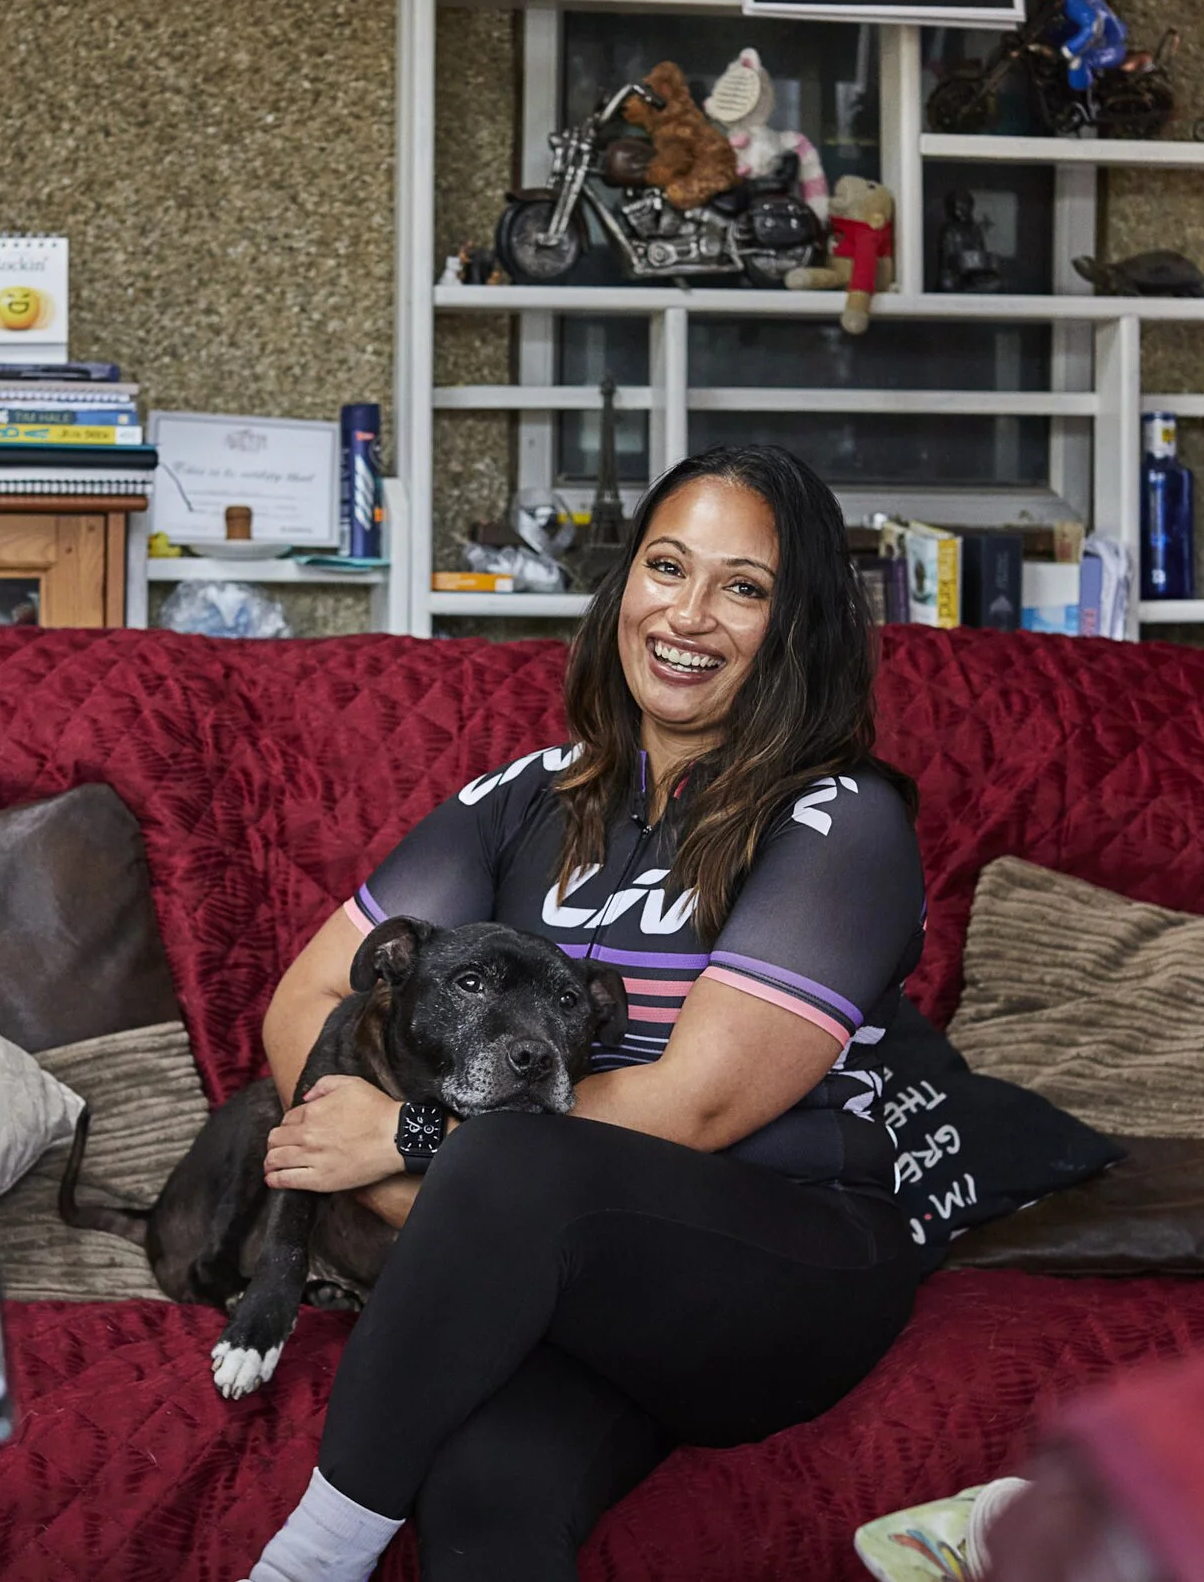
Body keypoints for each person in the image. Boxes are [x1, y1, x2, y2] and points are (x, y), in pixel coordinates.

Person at [243, 445, 932, 1581]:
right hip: (565, 1275)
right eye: (667, 567)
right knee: (480, 1502)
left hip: (784, 1259)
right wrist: (425, 1193)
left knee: (517, 1159)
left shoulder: (841, 820)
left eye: (743, 587)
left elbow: (694, 1102)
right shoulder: (522, 798)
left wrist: (412, 1143)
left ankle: (305, 1563)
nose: (689, 614)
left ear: (797, 622)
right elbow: (312, 1000)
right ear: (624, 589)